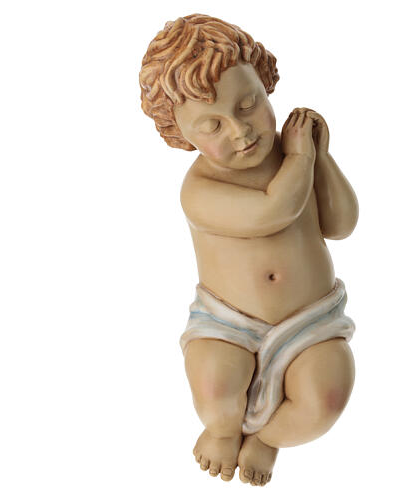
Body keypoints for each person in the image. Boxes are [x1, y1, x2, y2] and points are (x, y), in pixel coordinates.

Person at [139, 14, 358, 486]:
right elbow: (271, 212)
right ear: (181, 134)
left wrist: (322, 158)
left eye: (248, 104)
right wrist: (301, 157)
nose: (240, 131)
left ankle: (268, 438)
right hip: (228, 323)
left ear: (264, 82)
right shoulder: (199, 189)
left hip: (309, 319)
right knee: (216, 392)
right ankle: (222, 431)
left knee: (326, 400)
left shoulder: (296, 156)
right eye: (212, 125)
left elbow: (341, 225)